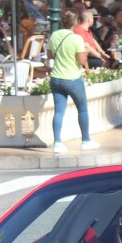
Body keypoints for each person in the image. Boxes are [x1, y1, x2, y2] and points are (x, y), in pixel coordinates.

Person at [47, 9, 98, 153]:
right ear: (75, 23)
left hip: (56, 78)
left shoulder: (55, 35)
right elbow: (82, 61)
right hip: (72, 78)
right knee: (82, 109)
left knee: (58, 111)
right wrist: (85, 53)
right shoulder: (76, 39)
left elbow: (50, 55)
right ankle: (86, 140)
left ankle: (57, 142)